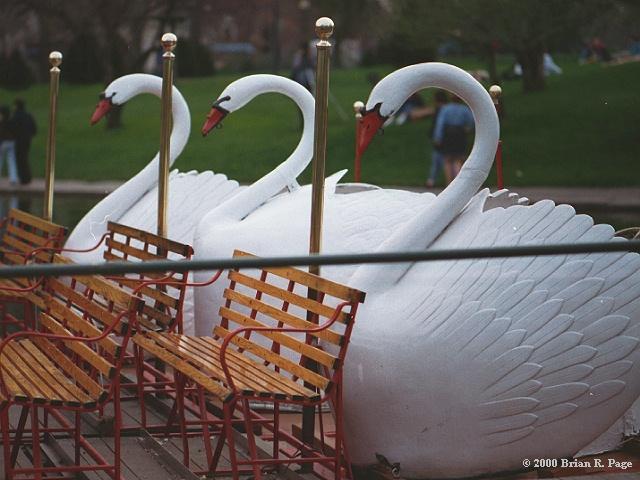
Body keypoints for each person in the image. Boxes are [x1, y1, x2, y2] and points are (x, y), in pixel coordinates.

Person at [432, 95, 474, 184]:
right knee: (458, 159)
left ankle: (449, 183)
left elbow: (440, 123)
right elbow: (471, 121)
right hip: (460, 133)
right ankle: (457, 183)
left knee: (447, 160)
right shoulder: (464, 109)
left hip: (448, 133)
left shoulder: (446, 109)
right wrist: (468, 129)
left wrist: (438, 137)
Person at [426, 90, 448, 187]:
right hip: (448, 137)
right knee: (442, 159)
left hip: (440, 137)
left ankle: (431, 180)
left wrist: (435, 136)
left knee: (438, 160)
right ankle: (433, 179)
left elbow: (437, 124)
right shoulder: (447, 109)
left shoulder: (439, 110)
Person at [11, 99, 36, 185]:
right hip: (27, 140)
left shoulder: (16, 116)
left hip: (18, 140)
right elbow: (34, 128)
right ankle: (27, 177)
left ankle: (23, 178)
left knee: (20, 159)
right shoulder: (28, 116)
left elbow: (12, 128)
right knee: (24, 158)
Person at [0, 105, 19, 185]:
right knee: (12, 161)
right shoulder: (11, 121)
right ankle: (13, 179)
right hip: (11, 142)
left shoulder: (2, 122)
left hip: (3, 142)